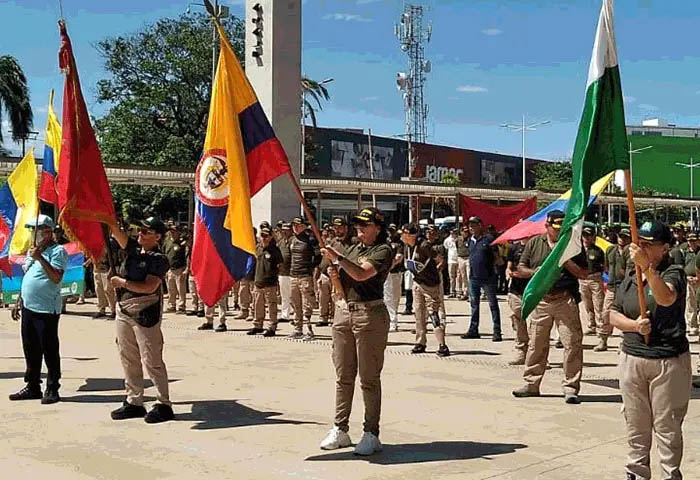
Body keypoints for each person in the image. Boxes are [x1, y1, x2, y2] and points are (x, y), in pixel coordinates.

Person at [610, 220, 691, 480]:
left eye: (648, 244)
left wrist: (648, 268)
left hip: (667, 359)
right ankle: (636, 472)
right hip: (633, 357)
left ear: (664, 248)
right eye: (639, 243)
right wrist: (633, 325)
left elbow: (666, 298)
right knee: (636, 422)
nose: (641, 248)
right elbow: (612, 314)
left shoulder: (673, 272)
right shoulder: (631, 275)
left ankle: (670, 474)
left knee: (667, 425)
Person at [318, 207, 393, 456]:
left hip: (369, 314)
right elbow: (338, 276)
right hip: (344, 312)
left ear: (378, 228)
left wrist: (338, 258)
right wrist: (332, 266)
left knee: (369, 378)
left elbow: (361, 274)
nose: (359, 228)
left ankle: (371, 433)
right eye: (358, 224)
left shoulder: (382, 250)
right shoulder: (352, 249)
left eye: (365, 224)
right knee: (343, 375)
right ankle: (340, 428)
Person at [511, 210, 588, 404]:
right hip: (542, 301)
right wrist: (535, 272)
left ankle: (571, 387)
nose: (559, 231)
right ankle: (531, 383)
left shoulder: (572, 244)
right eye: (556, 228)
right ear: (547, 226)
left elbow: (583, 273)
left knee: (572, 344)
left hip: (565, 300)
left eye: (562, 227)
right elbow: (520, 268)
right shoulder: (534, 243)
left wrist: (564, 259)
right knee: (536, 344)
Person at [108, 216, 174, 423]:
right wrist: (108, 219)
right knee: (128, 357)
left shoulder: (159, 259)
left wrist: (122, 283)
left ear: (157, 237)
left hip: (145, 311)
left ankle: (163, 403)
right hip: (124, 309)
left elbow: (149, 286)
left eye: (146, 232)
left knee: (151, 359)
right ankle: (134, 400)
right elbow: (117, 233)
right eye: (140, 230)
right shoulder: (134, 250)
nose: (141, 234)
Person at [9, 215, 67, 405]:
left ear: (49, 232)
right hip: (29, 306)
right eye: (33, 229)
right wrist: (19, 300)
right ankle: (33, 385)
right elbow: (28, 276)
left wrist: (40, 258)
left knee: (49, 349)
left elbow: (56, 278)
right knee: (30, 348)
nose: (36, 233)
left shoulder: (58, 251)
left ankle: (52, 387)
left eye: (39, 230)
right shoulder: (32, 251)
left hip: (46, 308)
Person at [402, 223, 450, 357]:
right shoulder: (408, 247)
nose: (403, 236)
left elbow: (440, 260)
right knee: (419, 314)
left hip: (430, 285)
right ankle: (420, 342)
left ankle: (442, 345)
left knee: (433, 313)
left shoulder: (424, 246)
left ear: (412, 235)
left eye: (405, 234)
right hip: (418, 283)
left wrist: (435, 272)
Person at [463, 216, 502, 341]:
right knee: (474, 304)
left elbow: (497, 257)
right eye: (470, 225)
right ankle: (473, 329)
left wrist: (493, 269)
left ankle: (497, 331)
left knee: (493, 304)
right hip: (474, 277)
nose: (471, 227)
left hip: (488, 277)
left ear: (480, 225)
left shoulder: (488, 239)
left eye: (473, 225)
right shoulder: (470, 241)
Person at [289, 217, 321, 340]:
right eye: (294, 225)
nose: (295, 227)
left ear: (303, 226)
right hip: (293, 275)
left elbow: (318, 256)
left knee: (307, 303)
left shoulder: (310, 239)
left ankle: (309, 329)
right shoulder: (292, 239)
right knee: (295, 303)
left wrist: (311, 267)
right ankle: (298, 328)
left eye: (298, 225)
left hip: (305, 276)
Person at [248, 226, 283, 336]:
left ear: (271, 237)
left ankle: (272, 327)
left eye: (266, 236)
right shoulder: (258, 248)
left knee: (271, 305)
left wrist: (275, 277)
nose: (264, 238)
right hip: (258, 281)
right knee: (257, 305)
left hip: (270, 283)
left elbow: (280, 265)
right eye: (262, 235)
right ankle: (257, 325)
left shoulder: (275, 250)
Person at [579, 224, 607, 351]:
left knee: (598, 305)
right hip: (582, 280)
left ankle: (601, 330)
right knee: (587, 304)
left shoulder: (598, 251)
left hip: (595, 279)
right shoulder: (578, 250)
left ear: (593, 237)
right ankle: (591, 325)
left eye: (589, 236)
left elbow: (604, 267)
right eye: (584, 235)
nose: (586, 238)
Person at [604, 228, 631, 346]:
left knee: (626, 314)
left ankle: (625, 341)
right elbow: (606, 266)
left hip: (625, 287)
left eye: (625, 237)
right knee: (606, 312)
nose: (622, 239)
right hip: (612, 286)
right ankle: (603, 338)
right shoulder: (610, 250)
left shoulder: (630, 252)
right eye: (620, 236)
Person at [505, 238, 529, 365]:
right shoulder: (514, 248)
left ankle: (538, 355)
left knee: (535, 324)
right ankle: (521, 350)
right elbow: (508, 266)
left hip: (531, 289)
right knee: (518, 320)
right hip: (515, 290)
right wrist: (508, 272)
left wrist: (525, 274)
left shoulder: (535, 247)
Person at [92, 236, 118, 320]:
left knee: (108, 290)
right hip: (97, 268)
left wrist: (111, 270)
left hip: (106, 268)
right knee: (98, 289)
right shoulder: (94, 241)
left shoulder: (110, 242)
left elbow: (114, 257)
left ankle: (113, 310)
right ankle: (101, 309)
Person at [164, 224, 188, 314]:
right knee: (171, 289)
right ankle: (172, 305)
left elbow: (187, 255)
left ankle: (181, 306)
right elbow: (164, 254)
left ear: (178, 232)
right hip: (169, 269)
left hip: (179, 268)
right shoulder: (167, 241)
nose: (172, 233)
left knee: (181, 289)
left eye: (174, 231)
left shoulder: (182, 242)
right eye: (171, 231)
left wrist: (185, 269)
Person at [384, 225, 404, 332]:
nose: (390, 233)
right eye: (389, 231)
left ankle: (393, 319)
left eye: (392, 231)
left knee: (395, 297)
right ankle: (391, 320)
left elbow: (399, 257)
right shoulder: (385, 243)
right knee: (387, 297)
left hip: (395, 273)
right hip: (386, 274)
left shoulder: (399, 244)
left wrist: (389, 266)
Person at [683, 233, 699, 337]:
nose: (692, 243)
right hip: (689, 280)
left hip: (699, 280)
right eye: (690, 241)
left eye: (694, 240)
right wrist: (686, 277)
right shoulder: (685, 253)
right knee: (691, 304)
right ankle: (692, 326)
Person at [278, 223, 294, 323]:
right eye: (283, 230)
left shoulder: (294, 241)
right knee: (284, 295)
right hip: (282, 272)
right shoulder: (281, 242)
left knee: (294, 296)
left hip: (292, 272)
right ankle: (285, 314)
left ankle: (297, 315)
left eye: (286, 230)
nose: (284, 232)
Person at [455, 226, 470, 300]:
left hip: (468, 257)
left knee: (469, 275)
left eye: (467, 231)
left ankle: (470, 293)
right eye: (464, 231)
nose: (466, 233)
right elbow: (457, 247)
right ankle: (465, 292)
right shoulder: (458, 239)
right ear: (461, 232)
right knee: (463, 276)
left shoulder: (470, 239)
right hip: (461, 258)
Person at [443, 229, 459, 298]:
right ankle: (452, 291)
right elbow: (446, 248)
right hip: (451, 261)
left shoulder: (459, 239)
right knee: (451, 277)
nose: (454, 233)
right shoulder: (447, 240)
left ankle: (459, 291)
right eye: (452, 232)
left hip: (458, 260)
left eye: (455, 232)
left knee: (458, 277)